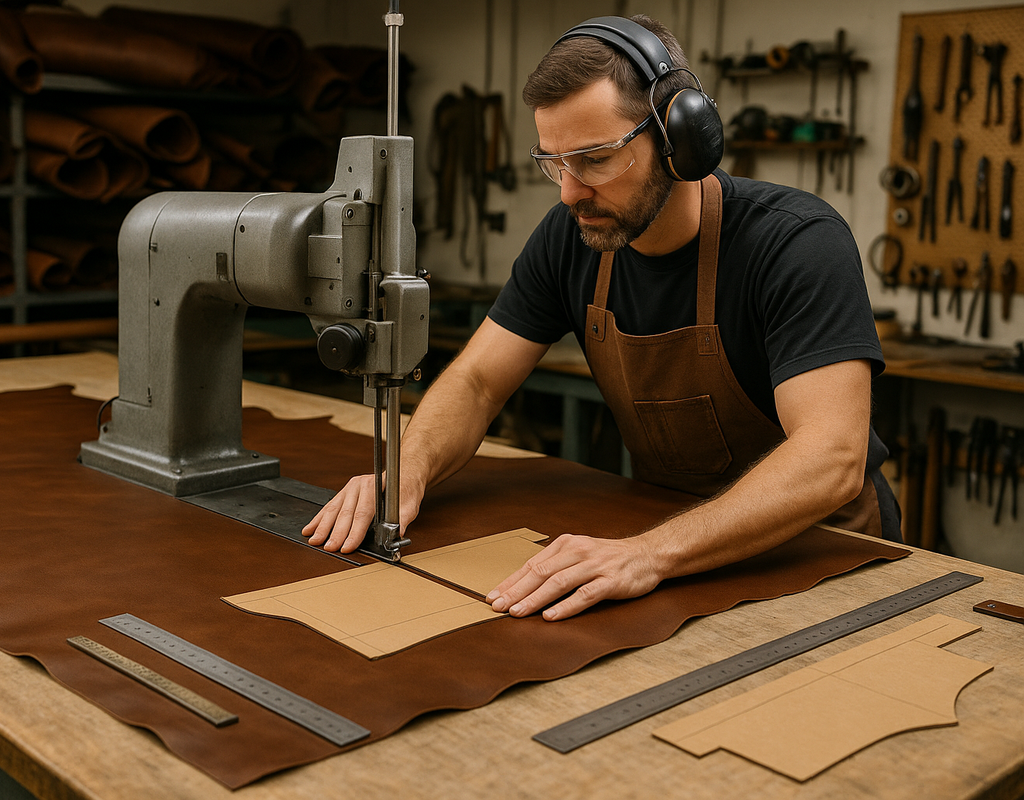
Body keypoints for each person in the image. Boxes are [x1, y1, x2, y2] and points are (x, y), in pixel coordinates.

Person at [303, 13, 898, 622]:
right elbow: (478, 381)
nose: (569, 193)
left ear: (679, 137)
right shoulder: (571, 238)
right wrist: (408, 469)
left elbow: (832, 458)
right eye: (554, 163)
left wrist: (651, 554)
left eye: (594, 159)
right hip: (667, 545)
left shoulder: (797, 243)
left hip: (824, 557)